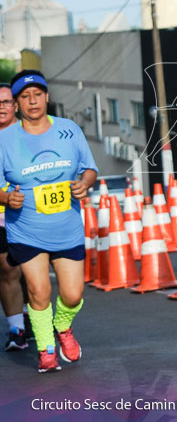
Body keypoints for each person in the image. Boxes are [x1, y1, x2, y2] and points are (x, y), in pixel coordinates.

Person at [0, 70, 98, 373]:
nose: (32, 101)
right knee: (39, 291)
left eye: (37, 94)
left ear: (47, 97)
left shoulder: (69, 129)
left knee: (72, 294)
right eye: (25, 97)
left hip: (66, 227)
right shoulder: (4, 139)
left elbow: (89, 169)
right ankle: (46, 350)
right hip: (26, 229)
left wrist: (85, 184)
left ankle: (62, 327)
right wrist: (5, 198)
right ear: (16, 104)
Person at [0, 83, 30, 352]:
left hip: (29, 214)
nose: (2, 107)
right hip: (0, 216)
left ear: (15, 106)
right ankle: (16, 329)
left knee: (30, 272)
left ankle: (34, 316)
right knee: (8, 268)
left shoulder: (28, 134)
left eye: (7, 102)